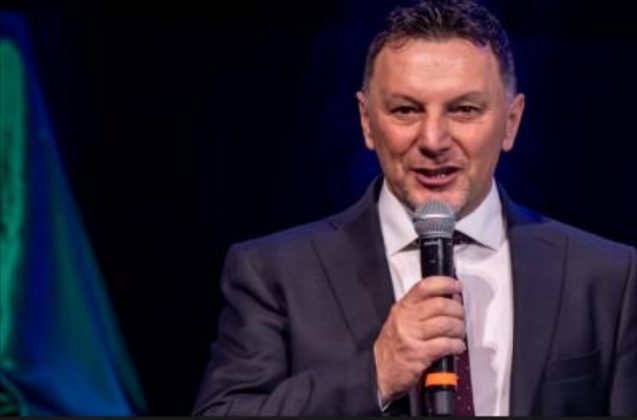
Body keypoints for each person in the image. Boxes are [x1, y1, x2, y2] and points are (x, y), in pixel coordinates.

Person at [192, 0, 637, 416]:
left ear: (510, 122)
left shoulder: (606, 277)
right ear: (367, 121)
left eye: (464, 109)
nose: (433, 140)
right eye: (406, 110)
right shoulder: (275, 273)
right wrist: (376, 374)